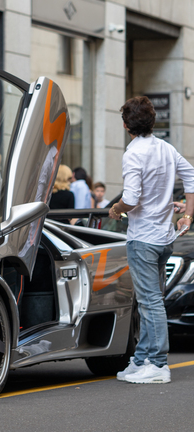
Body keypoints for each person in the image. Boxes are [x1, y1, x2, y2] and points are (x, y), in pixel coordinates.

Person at [109, 95, 194, 384]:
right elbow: (191, 176)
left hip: (143, 238)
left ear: (125, 125)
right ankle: (142, 358)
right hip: (164, 237)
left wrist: (116, 208)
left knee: (149, 302)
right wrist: (188, 215)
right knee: (150, 299)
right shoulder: (166, 149)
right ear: (152, 122)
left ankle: (157, 365)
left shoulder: (133, 153)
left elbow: (130, 199)